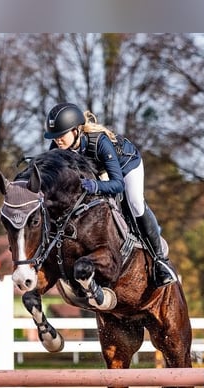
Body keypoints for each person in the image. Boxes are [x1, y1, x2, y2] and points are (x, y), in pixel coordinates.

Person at [43, 102, 176, 287]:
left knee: (135, 203)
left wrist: (95, 186)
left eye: (61, 135)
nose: (57, 140)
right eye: (54, 136)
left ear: (75, 130)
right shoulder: (58, 147)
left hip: (125, 166)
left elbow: (118, 184)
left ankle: (160, 260)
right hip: (98, 172)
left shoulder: (99, 142)